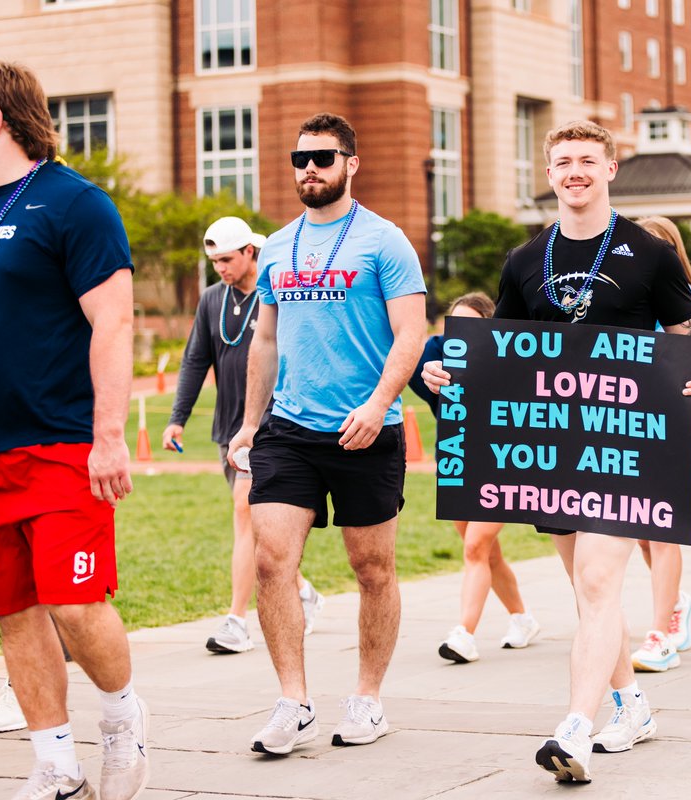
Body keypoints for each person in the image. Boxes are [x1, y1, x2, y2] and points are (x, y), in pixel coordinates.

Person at [422, 120, 691, 783]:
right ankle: (633, 705)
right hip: (550, 450)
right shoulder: (525, 260)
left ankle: (576, 731)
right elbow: (497, 348)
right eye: (563, 162)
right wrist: (450, 371)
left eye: (588, 159)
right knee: (591, 597)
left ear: (611, 168)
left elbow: (690, 331)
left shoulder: (650, 253)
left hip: (624, 446)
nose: (575, 171)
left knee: (596, 582)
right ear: (550, 174)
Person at [226, 113, 427, 755]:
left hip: (368, 429)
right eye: (298, 158)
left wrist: (378, 405)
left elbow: (411, 336)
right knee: (269, 560)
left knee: (372, 569)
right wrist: (250, 424)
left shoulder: (385, 241)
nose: (308, 168)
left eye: (322, 157)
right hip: (291, 426)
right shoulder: (278, 245)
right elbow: (265, 339)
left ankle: (367, 700)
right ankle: (293, 702)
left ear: (350, 163)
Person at [0, 61, 148, 800]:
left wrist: (108, 434)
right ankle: (55, 761)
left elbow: (112, 321)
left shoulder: (74, 203)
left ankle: (121, 716)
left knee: (74, 604)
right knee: (14, 612)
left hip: (59, 443)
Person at [163, 217, 323, 655]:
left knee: (243, 513)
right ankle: (304, 591)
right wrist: (178, 417)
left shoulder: (277, 295)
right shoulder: (213, 300)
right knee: (258, 531)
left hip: (271, 426)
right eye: (213, 262)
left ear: (250, 253)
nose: (220, 269)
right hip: (227, 429)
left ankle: (236, 621)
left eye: (226, 260)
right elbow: (195, 361)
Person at [407, 292, 541, 663]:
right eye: (456, 325)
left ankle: (463, 634)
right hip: (457, 460)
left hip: (504, 463)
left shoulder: (511, 358)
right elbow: (415, 362)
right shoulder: (437, 353)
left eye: (471, 326)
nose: (461, 334)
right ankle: (522, 617)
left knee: (476, 547)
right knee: (484, 550)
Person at [628, 215, 691, 673]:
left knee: (662, 530)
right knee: (642, 533)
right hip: (631, 429)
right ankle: (676, 602)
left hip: (680, 428)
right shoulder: (626, 304)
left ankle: (661, 632)